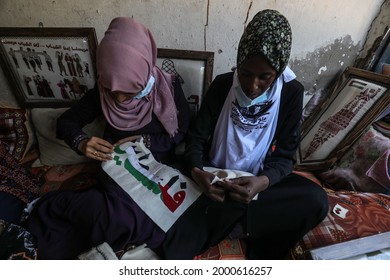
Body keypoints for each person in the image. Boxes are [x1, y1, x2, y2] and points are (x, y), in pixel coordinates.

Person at [159, 9, 329, 260]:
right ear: (238, 62)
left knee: (315, 200)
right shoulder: (222, 85)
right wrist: (198, 172)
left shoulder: (291, 93)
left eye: (265, 77)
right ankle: (242, 221)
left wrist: (262, 182)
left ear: (279, 70)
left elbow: (284, 158)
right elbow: (195, 139)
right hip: (214, 180)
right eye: (246, 73)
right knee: (171, 240)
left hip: (256, 187)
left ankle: (235, 220)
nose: (252, 86)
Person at [25, 17, 190, 259]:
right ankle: (53, 207)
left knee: (169, 220)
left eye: (129, 91)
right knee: (119, 218)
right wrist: (82, 141)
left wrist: (146, 141)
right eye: (114, 91)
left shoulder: (169, 88)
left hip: (158, 168)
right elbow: (66, 123)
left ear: (144, 70)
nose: (120, 99)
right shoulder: (103, 90)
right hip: (118, 169)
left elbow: (182, 132)